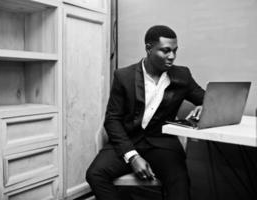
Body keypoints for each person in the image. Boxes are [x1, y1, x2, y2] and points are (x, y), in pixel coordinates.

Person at [86, 25, 205, 200]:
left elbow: (206, 98)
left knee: (179, 183)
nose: (172, 56)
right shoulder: (123, 76)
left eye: (174, 51)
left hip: (163, 145)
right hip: (128, 141)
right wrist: (132, 156)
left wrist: (204, 106)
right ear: (149, 48)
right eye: (165, 51)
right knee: (95, 174)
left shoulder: (182, 75)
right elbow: (112, 119)